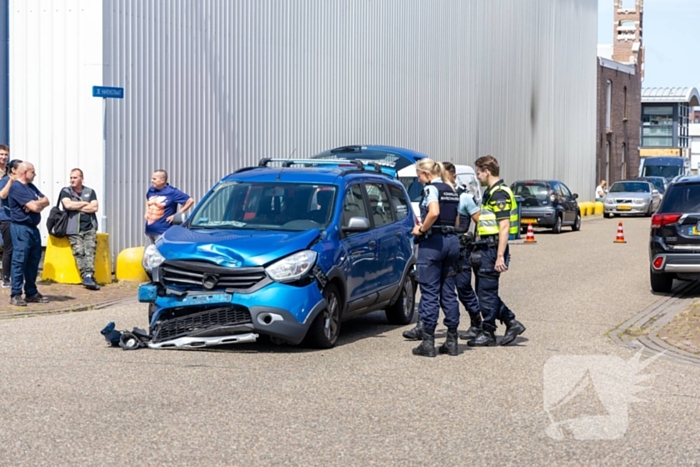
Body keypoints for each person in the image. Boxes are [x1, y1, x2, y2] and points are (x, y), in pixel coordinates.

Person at [468, 155, 525, 347]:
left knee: (486, 291)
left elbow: (504, 226)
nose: (477, 177)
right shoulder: (491, 192)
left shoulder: (499, 193)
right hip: (486, 246)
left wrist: (500, 255)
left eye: (478, 172)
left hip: (492, 248)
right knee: (485, 291)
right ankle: (511, 322)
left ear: (487, 171)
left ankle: (489, 332)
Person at [411, 158, 462, 357]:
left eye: (418, 176)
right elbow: (456, 219)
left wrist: (421, 229)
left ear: (425, 174)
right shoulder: (451, 189)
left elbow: (434, 212)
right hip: (452, 242)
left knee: (430, 292)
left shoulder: (431, 188)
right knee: (448, 292)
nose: (419, 180)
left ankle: (428, 341)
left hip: (433, 244)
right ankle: (452, 339)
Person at [443, 162, 483, 341]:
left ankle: (476, 322)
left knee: (463, 287)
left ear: (453, 177)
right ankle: (425, 326)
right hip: (442, 248)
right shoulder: (437, 195)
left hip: (461, 250)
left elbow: (480, 221)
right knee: (437, 288)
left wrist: (477, 245)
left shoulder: (465, 198)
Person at [8, 162, 50, 306]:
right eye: (33, 171)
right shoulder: (16, 188)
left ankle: (31, 292)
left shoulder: (30, 187)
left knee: (33, 260)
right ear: (24, 172)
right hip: (21, 228)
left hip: (33, 228)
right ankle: (16, 294)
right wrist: (35, 205)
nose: (35, 174)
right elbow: (34, 207)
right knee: (19, 260)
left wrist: (37, 204)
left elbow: (46, 200)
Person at [60, 168, 100, 290]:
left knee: (90, 251)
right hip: (73, 228)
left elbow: (94, 208)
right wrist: (85, 204)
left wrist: (76, 206)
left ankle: (89, 275)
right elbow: (68, 205)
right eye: (71, 177)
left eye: (75, 177)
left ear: (82, 179)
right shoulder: (66, 191)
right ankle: (86, 276)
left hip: (89, 227)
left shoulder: (90, 191)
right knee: (79, 252)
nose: (72, 180)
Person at [144, 170, 194, 244]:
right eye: (152, 178)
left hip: (163, 232)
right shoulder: (151, 190)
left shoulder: (172, 192)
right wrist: (147, 211)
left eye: (154, 179)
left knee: (160, 254)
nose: (152, 181)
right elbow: (147, 198)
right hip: (149, 231)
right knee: (148, 254)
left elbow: (190, 201)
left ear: (162, 180)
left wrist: (177, 215)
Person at [0, 148, 18, 288]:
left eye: (6, 155)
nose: (4, 157)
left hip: (8, 213)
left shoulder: (9, 171)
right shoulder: (6, 178)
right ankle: (6, 277)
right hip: (4, 213)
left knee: (10, 246)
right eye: (1, 154)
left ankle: (10, 275)